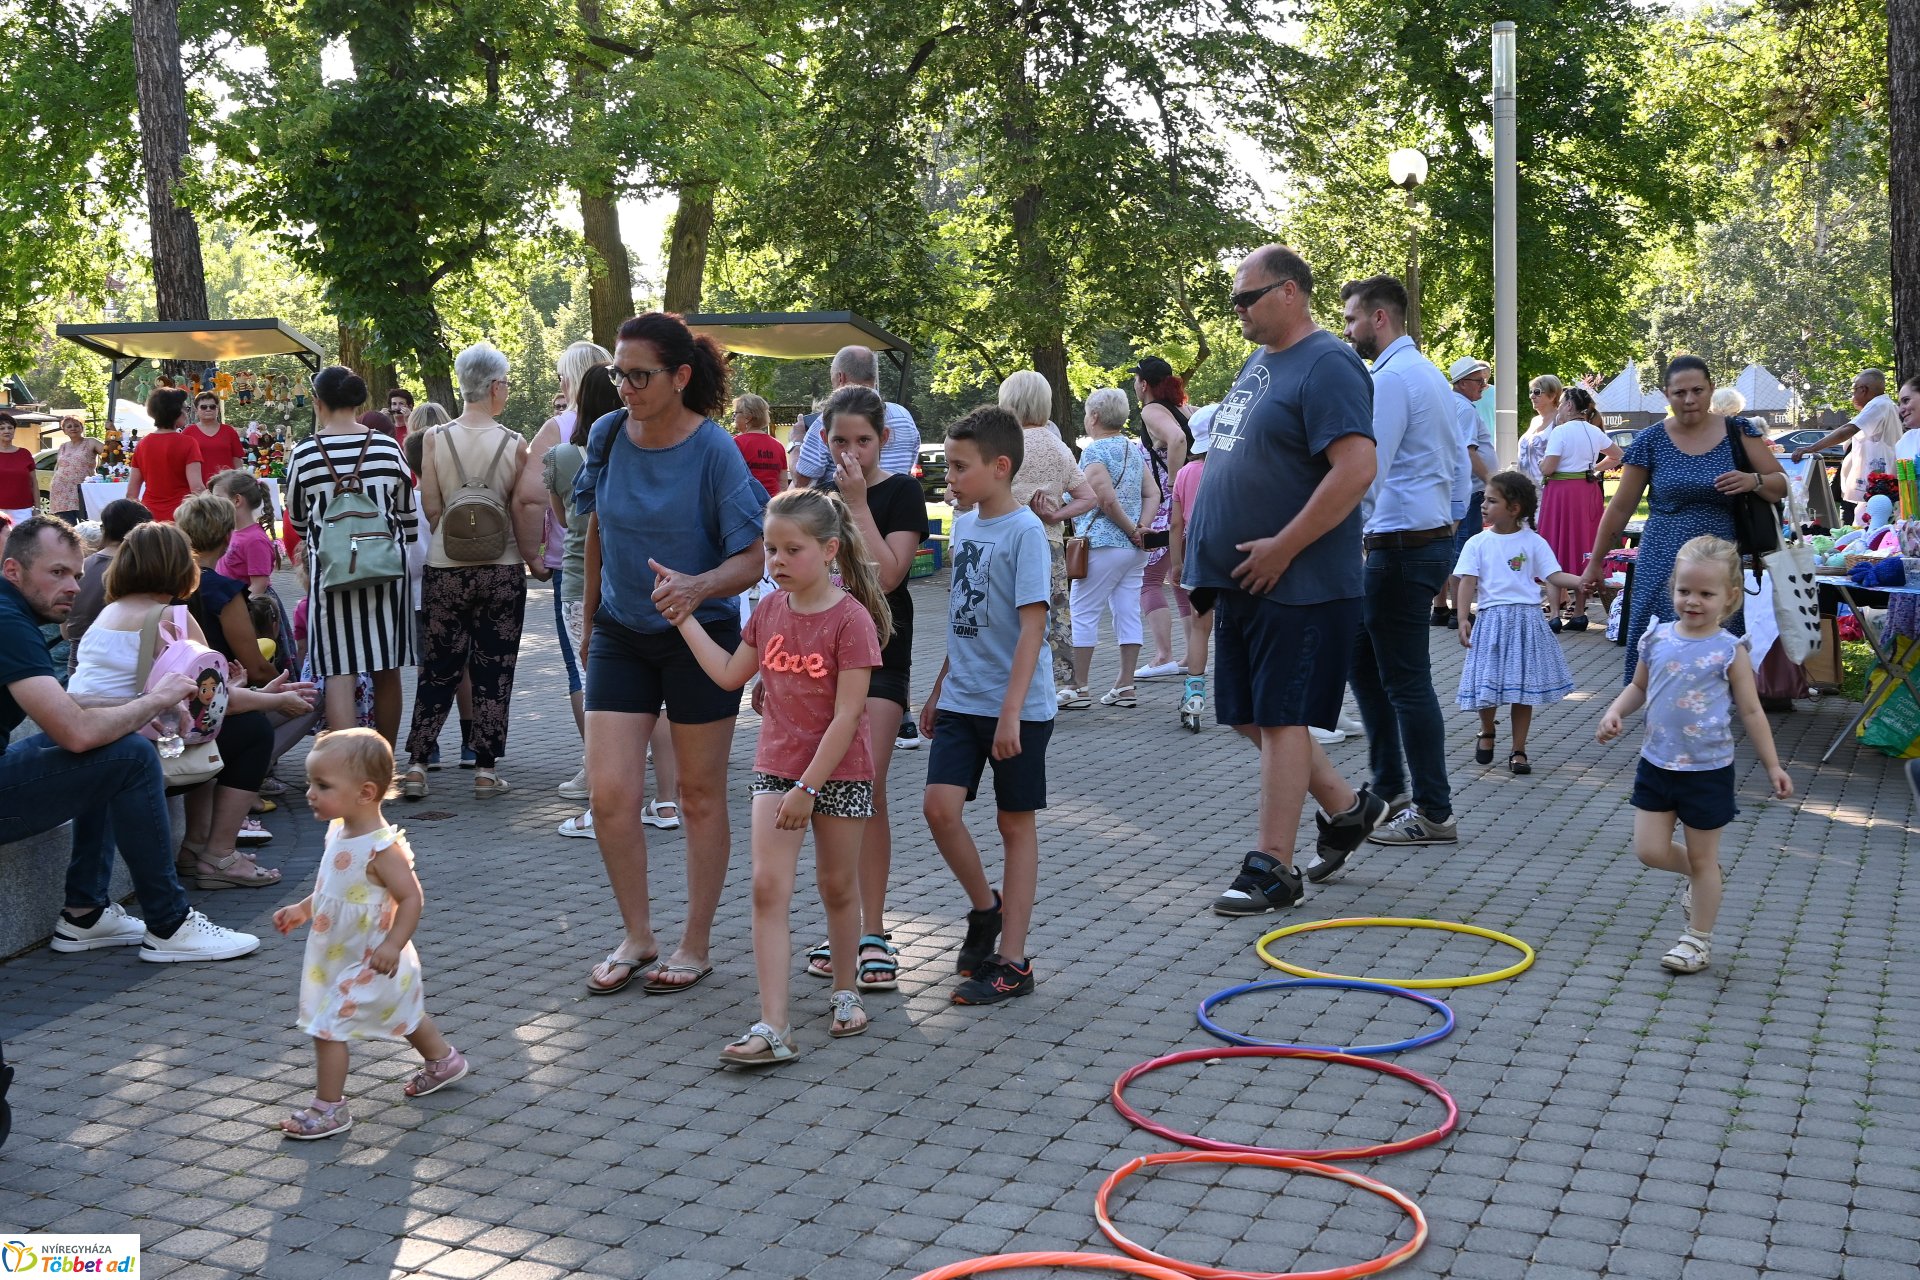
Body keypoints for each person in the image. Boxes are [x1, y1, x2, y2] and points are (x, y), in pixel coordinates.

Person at [574, 312, 768, 996]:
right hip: (623, 633)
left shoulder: (714, 451)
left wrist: (697, 586)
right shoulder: (606, 435)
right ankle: (637, 934)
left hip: (701, 636)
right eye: (616, 373)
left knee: (697, 795)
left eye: (639, 374)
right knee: (610, 795)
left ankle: (695, 941)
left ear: (681, 377)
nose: (624, 385)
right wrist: (592, 615)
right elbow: (598, 528)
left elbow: (753, 556)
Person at [1187, 245, 1385, 914]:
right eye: (1235, 299)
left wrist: (1283, 547)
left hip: (1300, 583)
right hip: (1246, 581)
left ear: (1292, 292)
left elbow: (1355, 470)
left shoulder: (1328, 363)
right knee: (1246, 714)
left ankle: (1271, 868)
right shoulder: (1260, 361)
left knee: (1281, 718)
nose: (1237, 309)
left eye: (1248, 297)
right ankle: (1347, 807)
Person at [663, 488, 888, 1063]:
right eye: (770, 549)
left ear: (830, 550)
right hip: (775, 769)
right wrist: (684, 617)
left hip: (838, 773)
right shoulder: (766, 612)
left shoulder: (851, 619)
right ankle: (774, 1026)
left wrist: (809, 788)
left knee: (838, 886)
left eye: (793, 550)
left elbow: (848, 716)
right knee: (767, 888)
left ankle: (844, 989)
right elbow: (728, 675)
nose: (778, 561)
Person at [2, 517, 262, 961]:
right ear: (13, 571)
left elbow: (73, 703)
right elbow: (77, 732)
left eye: (78, 574)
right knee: (132, 756)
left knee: (113, 746)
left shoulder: (11, 614)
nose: (73, 586)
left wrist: (144, 704)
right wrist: (156, 698)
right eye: (57, 573)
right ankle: (170, 924)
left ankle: (85, 912)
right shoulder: (7, 623)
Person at [67, 520, 313, 889]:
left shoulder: (109, 613)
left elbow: (202, 694)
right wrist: (273, 700)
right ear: (181, 566)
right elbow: (214, 704)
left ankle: (197, 847)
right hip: (142, 748)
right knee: (251, 732)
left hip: (103, 735)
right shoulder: (172, 618)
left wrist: (244, 691)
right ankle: (220, 855)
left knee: (216, 729)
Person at [1596, 535, 1793, 974]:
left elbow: (1751, 710)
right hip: (1656, 764)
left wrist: (1773, 764)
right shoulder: (1656, 637)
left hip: (1708, 770)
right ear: (1673, 589)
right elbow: (1639, 688)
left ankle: (1697, 940)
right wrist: (1615, 711)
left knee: (1703, 860)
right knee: (1649, 851)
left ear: (1730, 598)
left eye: (1706, 593)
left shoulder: (1729, 650)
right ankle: (1706, 876)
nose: (1694, 601)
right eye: (1686, 591)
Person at [918, 405, 1055, 1005]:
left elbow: (1032, 631)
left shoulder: (1025, 533)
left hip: (1016, 709)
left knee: (1012, 826)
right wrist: (938, 686)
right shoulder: (967, 524)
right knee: (939, 808)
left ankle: (1014, 961)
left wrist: (1010, 713)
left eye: (958, 467)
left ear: (1000, 467)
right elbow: (963, 617)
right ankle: (985, 908)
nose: (949, 477)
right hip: (961, 699)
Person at [273, 729, 468, 1139]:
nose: (310, 792)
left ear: (365, 792)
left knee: (326, 1026)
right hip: (339, 954)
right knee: (404, 1013)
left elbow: (411, 898)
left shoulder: (382, 849)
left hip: (372, 959)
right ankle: (444, 1061)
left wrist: (393, 944)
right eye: (312, 782)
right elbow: (332, 889)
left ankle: (329, 1109)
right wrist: (303, 909)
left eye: (322, 785)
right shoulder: (338, 831)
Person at [798, 386, 927, 992]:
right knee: (832, 788)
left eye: (864, 441)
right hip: (822, 657)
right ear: (824, 441)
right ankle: (843, 923)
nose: (852, 451)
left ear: (885, 441)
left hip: (882, 654)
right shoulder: (815, 503)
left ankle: (872, 928)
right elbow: (796, 582)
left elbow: (890, 573)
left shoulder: (900, 493)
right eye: (841, 440)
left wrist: (857, 505)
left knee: (864, 780)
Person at [1339, 273, 1460, 848]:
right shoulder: (1428, 374)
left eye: (1352, 320)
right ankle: (1391, 784)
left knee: (1406, 681)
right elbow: (1461, 464)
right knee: (1361, 660)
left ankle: (1434, 811)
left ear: (1379, 318)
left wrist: (1333, 535)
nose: (1347, 331)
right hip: (1421, 540)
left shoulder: (1388, 380)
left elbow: (1367, 472)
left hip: (1399, 548)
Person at [1580, 356, 1787, 683]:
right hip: (1661, 560)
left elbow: (1782, 484)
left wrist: (1754, 481)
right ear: (1666, 394)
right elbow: (1619, 509)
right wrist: (1596, 562)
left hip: (1718, 563)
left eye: (1697, 390)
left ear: (1711, 390)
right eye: (1679, 393)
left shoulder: (1739, 432)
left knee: (1716, 641)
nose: (1689, 400)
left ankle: (1710, 712)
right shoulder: (1650, 441)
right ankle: (1655, 707)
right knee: (1658, 644)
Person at [401, 341, 543, 800]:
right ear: (496, 387)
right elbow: (522, 505)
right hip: (501, 568)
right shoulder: (515, 442)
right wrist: (527, 553)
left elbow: (431, 505)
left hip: (446, 567)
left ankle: (419, 764)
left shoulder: (434, 440)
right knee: (493, 667)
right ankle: (484, 769)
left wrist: (450, 536)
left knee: (438, 666)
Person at [546, 362, 681, 839]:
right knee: (660, 700)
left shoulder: (565, 456)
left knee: (598, 691)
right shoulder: (655, 455)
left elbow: (571, 522)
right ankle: (663, 800)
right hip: (652, 586)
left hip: (594, 588)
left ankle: (602, 794)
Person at [286, 367, 419, 743]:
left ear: (318, 401)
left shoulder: (306, 452)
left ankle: (348, 768)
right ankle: (385, 762)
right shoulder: (387, 447)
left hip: (330, 573)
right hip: (385, 570)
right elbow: (407, 514)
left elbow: (297, 518)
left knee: (338, 667)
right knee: (387, 666)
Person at [509, 341, 612, 798]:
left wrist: (533, 555)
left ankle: (596, 767)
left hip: (573, 568)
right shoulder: (640, 428)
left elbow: (532, 497)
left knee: (582, 669)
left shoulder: (560, 433)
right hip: (630, 569)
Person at [1453, 472, 1582, 774]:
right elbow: (1467, 582)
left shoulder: (1533, 542)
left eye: (1491, 500)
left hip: (1526, 622)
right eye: (1484, 499)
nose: (1483, 505)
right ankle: (1487, 730)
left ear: (1514, 508)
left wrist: (1581, 581)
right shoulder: (1477, 542)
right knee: (1488, 684)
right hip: (1491, 622)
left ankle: (1518, 750)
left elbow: (1553, 576)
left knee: (1522, 690)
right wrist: (1462, 618)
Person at [996, 370, 1095, 699]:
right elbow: (1088, 497)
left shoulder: (1004, 444)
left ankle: (1010, 680)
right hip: (1048, 542)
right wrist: (1055, 515)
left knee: (1006, 612)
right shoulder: (1058, 446)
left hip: (1007, 540)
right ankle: (1059, 683)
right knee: (1052, 612)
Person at [1063, 386, 1154, 708]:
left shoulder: (1094, 452)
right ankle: (1125, 685)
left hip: (1102, 544)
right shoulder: (1133, 451)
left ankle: (1079, 687)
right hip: (1134, 551)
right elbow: (1151, 492)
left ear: (1095, 417)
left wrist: (1130, 530)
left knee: (1084, 612)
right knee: (1127, 611)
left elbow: (1104, 499)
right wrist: (1142, 527)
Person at [1537, 385, 1622, 630]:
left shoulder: (1561, 432)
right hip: (1586, 491)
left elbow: (1549, 467)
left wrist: (1543, 465)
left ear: (1570, 406)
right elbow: (1618, 455)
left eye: (1562, 403)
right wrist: (1595, 470)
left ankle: (1554, 613)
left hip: (1561, 492)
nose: (1559, 408)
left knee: (1554, 546)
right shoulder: (1594, 431)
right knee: (1582, 546)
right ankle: (1580, 612)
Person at [1130, 356, 1194, 680]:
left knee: (1150, 579)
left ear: (1144, 383)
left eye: (1136, 379)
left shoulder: (1152, 410)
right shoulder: (1183, 408)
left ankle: (1163, 656)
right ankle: (1192, 656)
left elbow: (1179, 440)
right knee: (1179, 578)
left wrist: (1173, 480)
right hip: (1194, 501)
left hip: (1171, 504)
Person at [791, 346, 920, 483]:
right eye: (841, 441)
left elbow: (801, 481)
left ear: (841, 377)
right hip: (896, 501)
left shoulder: (829, 420)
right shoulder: (904, 417)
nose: (853, 454)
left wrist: (796, 442)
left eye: (863, 440)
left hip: (842, 502)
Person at [1792, 368, 1901, 522]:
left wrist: (1811, 448)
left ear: (1863, 389)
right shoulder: (1887, 405)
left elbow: (1847, 430)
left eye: (1854, 390)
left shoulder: (1877, 405)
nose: (1853, 396)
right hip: (1879, 487)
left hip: (1877, 489)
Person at [1433, 358, 1495, 628]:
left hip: (1451, 487)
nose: (1483, 386)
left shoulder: (1447, 404)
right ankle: (1460, 611)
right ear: (1461, 383)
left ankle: (1440, 608)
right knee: (1463, 550)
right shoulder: (1466, 410)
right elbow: (1468, 452)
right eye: (1478, 381)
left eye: (1484, 380)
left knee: (1446, 546)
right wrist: (1493, 482)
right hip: (1469, 489)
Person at [64, 499, 151, 676]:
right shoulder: (139, 572)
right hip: (117, 673)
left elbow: (66, 631)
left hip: (77, 668)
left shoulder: (80, 566)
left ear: (105, 529)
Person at [1167, 406, 1213, 730]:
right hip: (1236, 555)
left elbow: (1175, 524)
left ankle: (1194, 697)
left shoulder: (1185, 473)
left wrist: (1176, 563)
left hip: (1200, 556)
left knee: (1201, 626)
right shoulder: (1236, 466)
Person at [125, 389, 205, 523]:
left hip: (150, 517)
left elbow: (131, 494)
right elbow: (197, 488)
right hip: (182, 516)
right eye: (185, 408)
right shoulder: (188, 443)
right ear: (175, 411)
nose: (187, 413)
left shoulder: (142, 444)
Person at [730, 393, 788, 497]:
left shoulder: (736, 443)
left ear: (747, 417)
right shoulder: (778, 446)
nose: (734, 417)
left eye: (735, 413)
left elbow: (729, 480)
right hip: (773, 504)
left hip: (747, 503)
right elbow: (783, 484)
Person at [49, 416, 103, 524]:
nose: (73, 428)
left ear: (82, 428)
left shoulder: (91, 442)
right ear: (64, 431)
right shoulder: (63, 446)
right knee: (66, 527)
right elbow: (59, 467)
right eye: (69, 426)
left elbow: (111, 452)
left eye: (76, 425)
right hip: (61, 492)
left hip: (83, 490)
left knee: (88, 525)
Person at [188, 391, 246, 481]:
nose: (208, 409)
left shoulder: (229, 431)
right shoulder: (188, 432)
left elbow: (237, 461)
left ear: (217, 409)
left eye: (212, 406)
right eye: (203, 407)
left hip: (227, 486)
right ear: (196, 410)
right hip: (199, 487)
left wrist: (241, 482)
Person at [1517, 375, 1563, 486]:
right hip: (1525, 490)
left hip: (1548, 487)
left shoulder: (1560, 421)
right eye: (1531, 392)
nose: (1532, 396)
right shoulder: (1535, 420)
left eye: (1537, 392)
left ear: (1552, 396)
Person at [0, 413, 38, 528]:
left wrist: (37, 508)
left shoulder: (25, 453)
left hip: (23, 510)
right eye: (2, 428)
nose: (7, 431)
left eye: (10, 428)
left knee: (23, 544)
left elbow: (34, 483)